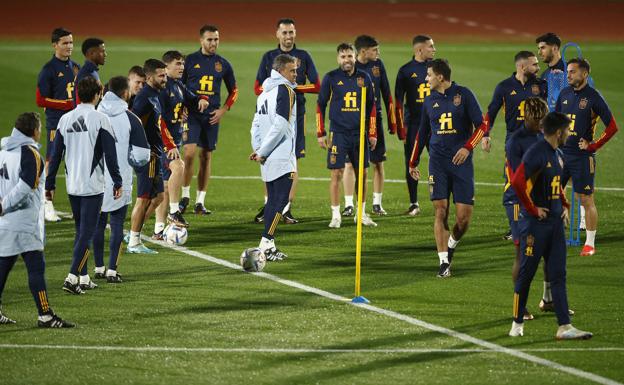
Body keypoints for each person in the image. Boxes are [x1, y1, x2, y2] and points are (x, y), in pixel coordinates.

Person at [509, 112, 592, 340]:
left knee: (558, 274)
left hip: (555, 225)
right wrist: (533, 209)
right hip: (535, 226)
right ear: (558, 132)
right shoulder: (537, 152)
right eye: (566, 129)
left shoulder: (558, 154)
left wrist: (564, 204)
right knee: (526, 274)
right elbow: (516, 181)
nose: (569, 133)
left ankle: (564, 326)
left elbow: (557, 186)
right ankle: (517, 322)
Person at [409, 59, 488, 278]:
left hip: (461, 165)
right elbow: (421, 134)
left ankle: (452, 243)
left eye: (429, 75)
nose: (426, 79)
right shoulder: (428, 101)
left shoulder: (464, 95)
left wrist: (467, 147)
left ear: (440, 77)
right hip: (437, 163)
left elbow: (482, 126)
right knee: (440, 209)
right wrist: (412, 162)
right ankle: (443, 262)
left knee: (463, 219)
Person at [45, 76, 122, 294]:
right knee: (86, 233)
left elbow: (55, 154)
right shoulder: (100, 119)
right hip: (92, 186)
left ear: (78, 93)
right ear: (98, 95)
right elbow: (110, 154)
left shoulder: (65, 119)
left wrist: (50, 184)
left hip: (73, 185)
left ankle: (84, 277)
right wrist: (117, 180)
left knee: (81, 231)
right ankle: (71, 278)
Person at [0, 112, 74, 327]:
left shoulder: (4, 152)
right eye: (39, 129)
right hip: (24, 223)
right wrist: (4, 204)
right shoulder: (30, 153)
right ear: (34, 131)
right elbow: (26, 185)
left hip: (5, 222)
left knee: (4, 265)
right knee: (36, 268)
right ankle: (45, 315)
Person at [253, 18, 320, 224]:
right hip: (269, 115)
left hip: (294, 115)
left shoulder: (303, 56)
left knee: (292, 160)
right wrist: (282, 88)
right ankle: (269, 205)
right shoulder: (268, 57)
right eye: (285, 33)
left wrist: (292, 87)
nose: (288, 37)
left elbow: (316, 85)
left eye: (291, 33)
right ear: (277, 35)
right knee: (266, 158)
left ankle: (286, 208)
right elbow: (257, 87)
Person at [556, 58, 618, 256]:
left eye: (573, 72)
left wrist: (594, 145)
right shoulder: (564, 94)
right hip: (561, 155)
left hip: (582, 157)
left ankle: (590, 243)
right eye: (568, 72)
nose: (568, 75)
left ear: (584, 74)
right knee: (551, 195)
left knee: (586, 199)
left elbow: (612, 126)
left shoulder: (593, 98)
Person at [93, 76, 150, 282]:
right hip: (120, 179)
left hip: (95, 180)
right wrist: (130, 162)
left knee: (98, 224)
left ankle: (98, 267)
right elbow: (143, 155)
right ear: (125, 93)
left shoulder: (94, 114)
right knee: (117, 223)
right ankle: (112, 270)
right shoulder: (130, 118)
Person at [486, 50, 547, 240]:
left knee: (539, 185)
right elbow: (491, 112)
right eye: (534, 64)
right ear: (522, 66)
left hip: (538, 141)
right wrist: (485, 135)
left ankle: (538, 224)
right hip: (514, 144)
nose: (538, 68)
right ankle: (516, 228)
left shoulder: (541, 86)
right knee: (513, 187)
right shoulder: (504, 87)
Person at [317, 43, 377, 229]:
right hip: (338, 134)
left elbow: (372, 107)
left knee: (363, 173)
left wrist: (373, 132)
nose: (347, 60)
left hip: (360, 134)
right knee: (336, 173)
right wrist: (321, 132)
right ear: (338, 59)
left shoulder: (364, 77)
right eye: (343, 57)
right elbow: (320, 105)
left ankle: (361, 213)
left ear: (355, 57)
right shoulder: (331, 78)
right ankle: (336, 215)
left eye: (350, 56)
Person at [180, 25, 238, 215]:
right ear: (201, 40)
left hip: (212, 117)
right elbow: (179, 86)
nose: (213, 43)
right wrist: (181, 108)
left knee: (206, 156)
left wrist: (223, 110)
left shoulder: (223, 64)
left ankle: (200, 202)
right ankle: (184, 196)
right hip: (192, 115)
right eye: (209, 39)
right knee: (188, 153)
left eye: (216, 39)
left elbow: (234, 90)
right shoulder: (189, 61)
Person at [152, 51, 209, 239]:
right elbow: (158, 120)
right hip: (162, 144)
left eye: (183, 63)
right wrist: (169, 145)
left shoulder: (178, 85)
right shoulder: (162, 89)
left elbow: (192, 98)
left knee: (166, 188)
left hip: (173, 142)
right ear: (166, 67)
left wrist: (202, 99)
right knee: (179, 167)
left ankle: (158, 230)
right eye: (177, 64)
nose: (182, 67)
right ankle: (174, 211)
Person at [128, 59, 181, 254]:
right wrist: (140, 149)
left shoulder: (156, 95)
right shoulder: (144, 97)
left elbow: (158, 122)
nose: (165, 78)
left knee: (158, 196)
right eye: (161, 75)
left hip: (156, 152)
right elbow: (133, 123)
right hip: (148, 153)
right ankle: (134, 240)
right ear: (149, 77)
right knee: (143, 198)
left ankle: (135, 232)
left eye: (165, 74)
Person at [340, 34, 395, 216]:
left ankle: (377, 203)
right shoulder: (349, 67)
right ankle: (349, 205)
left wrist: (393, 121)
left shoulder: (378, 65)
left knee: (378, 162)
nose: (378, 53)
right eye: (375, 50)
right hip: (353, 122)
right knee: (349, 164)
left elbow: (387, 93)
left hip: (375, 120)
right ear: (363, 51)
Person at [504, 97, 549, 320]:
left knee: (548, 250)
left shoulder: (543, 136)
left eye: (544, 119)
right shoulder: (516, 141)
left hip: (540, 200)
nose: (541, 123)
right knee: (522, 252)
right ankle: (520, 305)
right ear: (527, 117)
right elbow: (517, 179)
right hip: (516, 201)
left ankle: (548, 299)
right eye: (537, 119)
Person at [250, 54, 298, 261]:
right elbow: (281, 124)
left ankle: (268, 244)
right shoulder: (285, 90)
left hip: (267, 157)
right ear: (280, 71)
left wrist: (259, 149)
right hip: (280, 155)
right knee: (280, 201)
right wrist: (263, 151)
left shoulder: (263, 94)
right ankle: (266, 244)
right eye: (292, 70)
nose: (296, 74)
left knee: (272, 201)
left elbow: (255, 126)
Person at [36, 27, 80, 223]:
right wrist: (67, 105)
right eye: (65, 43)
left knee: (74, 162)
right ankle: (47, 204)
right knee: (52, 162)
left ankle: (76, 203)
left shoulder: (76, 67)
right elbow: (40, 99)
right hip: (56, 124)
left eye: (71, 42)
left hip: (76, 123)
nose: (69, 46)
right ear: (55, 45)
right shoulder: (48, 69)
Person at [395, 35, 436, 216]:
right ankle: (414, 203)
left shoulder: (438, 68)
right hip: (414, 125)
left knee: (439, 162)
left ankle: (440, 200)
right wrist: (400, 127)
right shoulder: (405, 71)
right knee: (411, 163)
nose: (434, 49)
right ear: (419, 50)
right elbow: (397, 102)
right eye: (431, 47)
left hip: (436, 124)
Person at [73, 37, 106, 105]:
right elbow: (82, 104)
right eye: (102, 51)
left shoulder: (92, 71)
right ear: (91, 53)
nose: (105, 54)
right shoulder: (87, 75)